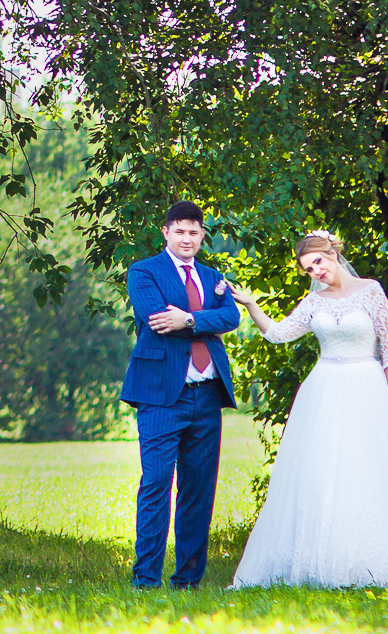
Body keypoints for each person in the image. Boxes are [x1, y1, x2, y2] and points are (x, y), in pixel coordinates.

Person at [225, 230, 388, 588]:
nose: (316, 272)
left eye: (318, 262)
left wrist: (386, 398)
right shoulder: (314, 302)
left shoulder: (371, 291)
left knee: (370, 466)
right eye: (309, 269)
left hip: (366, 387)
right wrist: (250, 304)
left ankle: (376, 557)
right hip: (323, 391)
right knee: (324, 469)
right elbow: (278, 333)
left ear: (333, 254)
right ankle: (324, 558)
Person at [120, 200, 242, 589]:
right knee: (156, 483)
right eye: (179, 231)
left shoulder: (213, 276)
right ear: (166, 232)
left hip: (207, 395)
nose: (186, 238)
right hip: (160, 395)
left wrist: (187, 318)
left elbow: (232, 317)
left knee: (198, 490)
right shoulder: (144, 271)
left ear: (202, 235)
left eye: (193, 232)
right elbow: (157, 318)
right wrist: (204, 322)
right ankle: (145, 580)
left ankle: (188, 581)